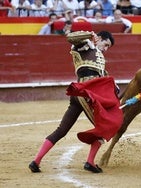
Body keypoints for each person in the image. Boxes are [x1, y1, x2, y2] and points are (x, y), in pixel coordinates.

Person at [29, 30, 123, 174]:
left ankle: (36, 161)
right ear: (99, 39)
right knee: (106, 126)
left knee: (62, 130)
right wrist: (89, 35)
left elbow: (102, 78)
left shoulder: (98, 56)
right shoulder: (86, 45)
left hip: (79, 94)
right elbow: (71, 37)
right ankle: (90, 162)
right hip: (87, 94)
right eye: (106, 44)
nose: (106, 49)